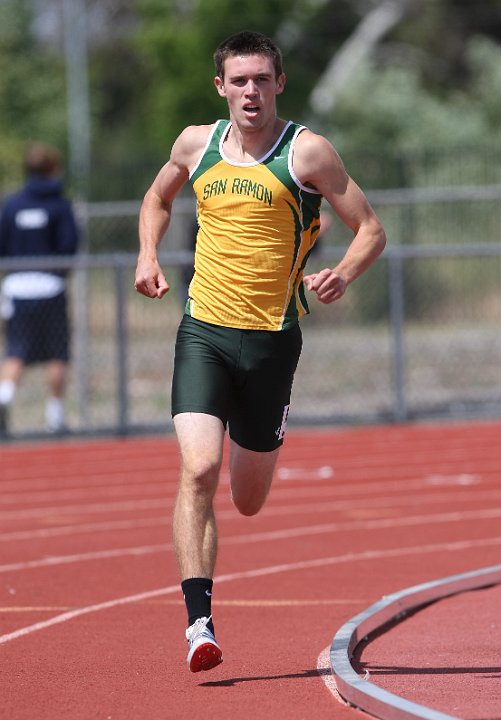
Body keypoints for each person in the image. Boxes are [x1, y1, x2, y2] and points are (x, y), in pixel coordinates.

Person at [134, 30, 386, 673]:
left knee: (247, 499)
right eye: (238, 80)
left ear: (279, 84)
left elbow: (371, 230)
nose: (250, 91)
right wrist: (147, 254)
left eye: (261, 79)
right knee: (197, 471)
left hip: (272, 343)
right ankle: (199, 624)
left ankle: (266, 437)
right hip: (203, 332)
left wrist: (343, 275)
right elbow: (158, 197)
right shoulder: (197, 145)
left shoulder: (308, 153)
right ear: (220, 87)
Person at [0, 142, 80, 436]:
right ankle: (55, 417)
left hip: (17, 288)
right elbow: (70, 244)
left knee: (16, 351)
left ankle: (4, 397)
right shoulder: (60, 205)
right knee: (57, 353)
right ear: (52, 169)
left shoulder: (12, 204)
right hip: (50, 288)